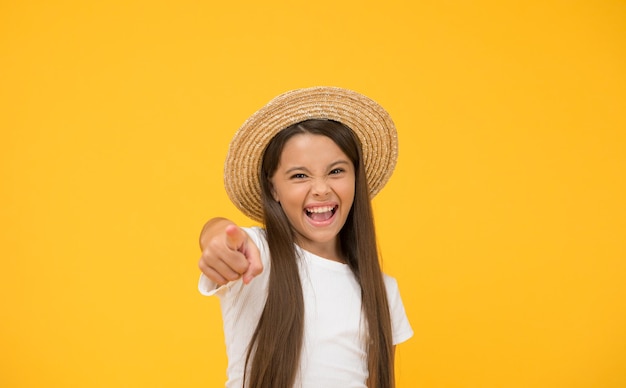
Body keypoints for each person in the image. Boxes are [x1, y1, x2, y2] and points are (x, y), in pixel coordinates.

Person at [197, 86, 413, 388]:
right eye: (300, 175)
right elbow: (218, 234)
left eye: (336, 171)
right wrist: (217, 237)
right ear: (273, 189)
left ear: (355, 179)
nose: (321, 188)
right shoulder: (258, 255)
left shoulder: (382, 290)